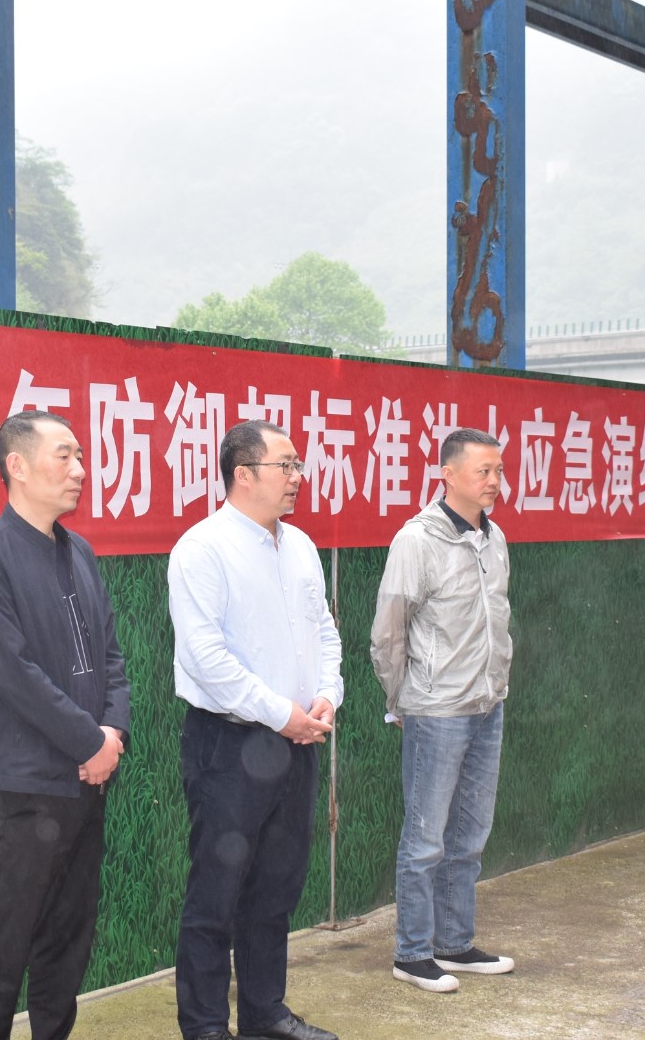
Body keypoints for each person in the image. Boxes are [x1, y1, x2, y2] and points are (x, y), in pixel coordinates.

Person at [0, 409, 131, 1040]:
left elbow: (111, 657)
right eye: (65, 456)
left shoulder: (78, 551)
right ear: (18, 466)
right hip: (22, 792)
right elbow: (13, 673)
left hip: (85, 783)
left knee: (66, 943)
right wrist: (89, 741)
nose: (80, 469)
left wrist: (113, 735)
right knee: (0, 954)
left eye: (81, 456)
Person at [167, 419, 343, 1040]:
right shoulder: (202, 549)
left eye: (298, 465)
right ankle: (206, 1026)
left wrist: (326, 696)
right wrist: (280, 713)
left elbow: (324, 631)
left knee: (275, 889)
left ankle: (265, 1015)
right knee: (215, 897)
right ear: (243, 474)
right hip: (230, 745)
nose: (297, 477)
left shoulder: (300, 546)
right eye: (285, 465)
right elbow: (205, 657)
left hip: (298, 741)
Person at [369, 427, 516, 994]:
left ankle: (454, 943)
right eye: (484, 471)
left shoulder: (494, 539)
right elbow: (388, 633)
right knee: (426, 838)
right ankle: (412, 953)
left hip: (487, 705)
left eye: (498, 470)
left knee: (470, 834)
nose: (495, 481)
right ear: (447, 475)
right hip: (436, 711)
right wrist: (401, 699)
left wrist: (495, 684)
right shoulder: (416, 540)